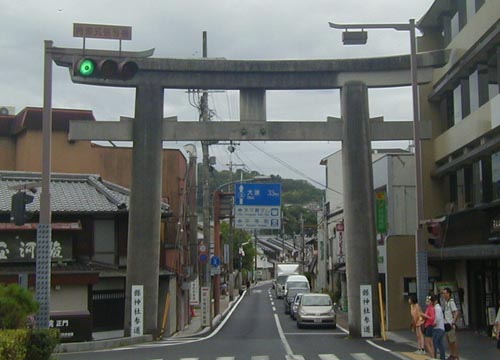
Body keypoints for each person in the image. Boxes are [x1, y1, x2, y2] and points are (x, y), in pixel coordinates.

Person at [442, 287, 460, 359]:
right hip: (446, 324)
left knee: (453, 341)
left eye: (444, 293)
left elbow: (456, 312)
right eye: (443, 293)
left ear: (448, 294)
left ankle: (456, 355)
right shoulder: (446, 302)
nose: (443, 294)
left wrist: (453, 321)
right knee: (449, 341)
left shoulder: (451, 302)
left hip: (450, 324)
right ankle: (452, 354)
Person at [432, 294, 446, 360]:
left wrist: (433, 324)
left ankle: (435, 356)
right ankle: (442, 357)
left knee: (435, 343)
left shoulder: (437, 308)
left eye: (432, 300)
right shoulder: (438, 307)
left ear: (436, 301)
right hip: (440, 328)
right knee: (440, 343)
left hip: (438, 328)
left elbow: (437, 319)